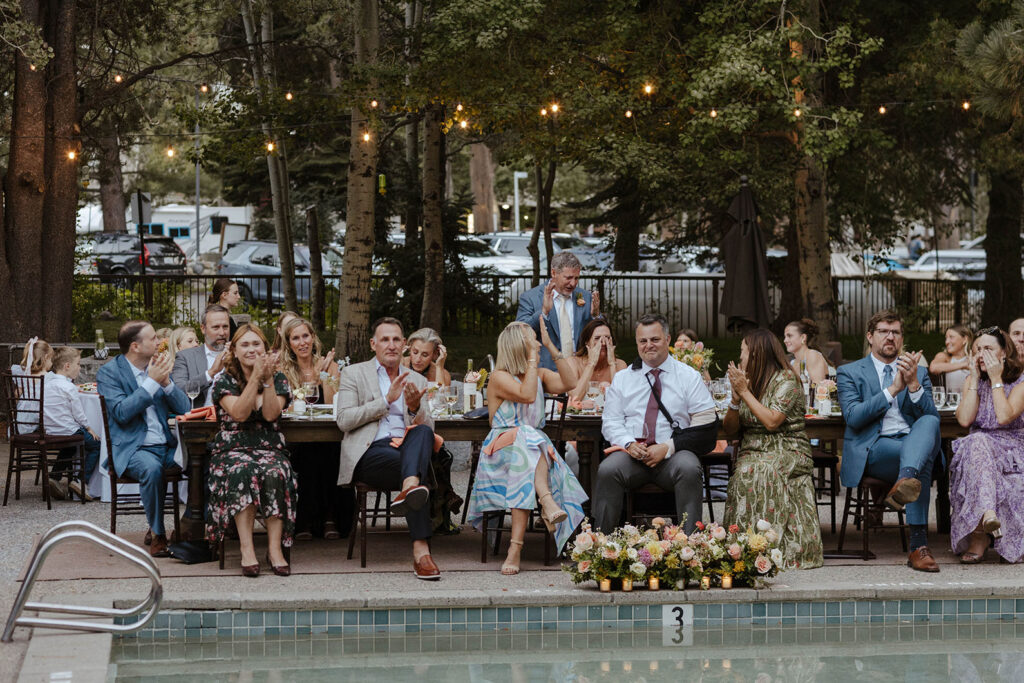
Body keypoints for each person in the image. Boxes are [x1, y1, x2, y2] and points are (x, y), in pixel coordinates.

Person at [466, 320, 586, 575]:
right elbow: (528, 395)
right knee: (527, 437)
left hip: (530, 453)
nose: (537, 344)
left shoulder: (540, 374)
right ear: (518, 345)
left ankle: (516, 548)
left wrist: (553, 348)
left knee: (528, 441)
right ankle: (547, 503)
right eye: (532, 340)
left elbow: (571, 382)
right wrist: (533, 357)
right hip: (500, 451)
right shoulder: (499, 377)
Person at [836, 309, 942, 572]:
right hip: (875, 449)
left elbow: (931, 418)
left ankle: (906, 479)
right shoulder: (849, 372)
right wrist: (893, 388)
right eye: (884, 331)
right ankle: (918, 547)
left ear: (901, 338)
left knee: (928, 424)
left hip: (911, 445)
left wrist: (914, 384)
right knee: (923, 461)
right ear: (870, 337)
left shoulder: (919, 371)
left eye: (895, 332)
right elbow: (853, 417)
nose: (890, 337)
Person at [335, 317, 440, 580]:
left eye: (396, 339)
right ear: (374, 344)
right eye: (385, 339)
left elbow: (428, 427)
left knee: (423, 431)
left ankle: (410, 488)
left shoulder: (417, 378)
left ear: (404, 344)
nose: (391, 345)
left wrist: (415, 408)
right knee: (417, 471)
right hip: (371, 453)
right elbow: (344, 420)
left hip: (405, 451)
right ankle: (421, 551)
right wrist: (385, 400)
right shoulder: (354, 373)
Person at [595, 313, 719, 533]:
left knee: (690, 467)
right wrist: (628, 444)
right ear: (636, 343)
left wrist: (667, 447)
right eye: (643, 341)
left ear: (668, 340)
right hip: (633, 455)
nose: (648, 345)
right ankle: (601, 545)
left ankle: (691, 546)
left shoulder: (688, 376)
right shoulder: (624, 378)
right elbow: (611, 421)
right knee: (608, 470)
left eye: (655, 339)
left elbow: (707, 422)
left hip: (674, 454)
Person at [722, 330, 823, 569]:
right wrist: (735, 400)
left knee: (765, 470)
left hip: (788, 449)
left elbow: (772, 421)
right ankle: (742, 550)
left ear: (756, 353)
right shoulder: (749, 383)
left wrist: (744, 392)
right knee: (745, 472)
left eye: (743, 351)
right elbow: (729, 431)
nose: (740, 357)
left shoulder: (786, 380)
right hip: (752, 450)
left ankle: (774, 551)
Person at [207, 324, 297, 577]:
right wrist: (254, 379)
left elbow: (269, 414)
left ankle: (274, 549)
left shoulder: (278, 379)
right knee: (242, 471)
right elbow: (240, 413)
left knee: (275, 471)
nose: (251, 349)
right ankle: (247, 549)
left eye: (256, 344)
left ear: (265, 349)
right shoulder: (223, 380)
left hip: (269, 446)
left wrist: (266, 379)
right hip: (232, 449)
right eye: (244, 345)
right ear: (234, 351)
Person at [97, 321, 191, 557]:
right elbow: (120, 412)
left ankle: (193, 526)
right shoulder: (110, 372)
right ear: (135, 346)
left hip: (166, 446)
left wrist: (166, 382)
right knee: (152, 469)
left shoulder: (157, 366)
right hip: (133, 448)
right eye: (153, 339)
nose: (159, 342)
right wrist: (151, 382)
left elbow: (184, 408)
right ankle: (158, 534)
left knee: (202, 460)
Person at [950, 327, 1024, 564]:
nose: (981, 354)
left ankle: (980, 534)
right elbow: (964, 420)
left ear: (1004, 353)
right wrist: (973, 377)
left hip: (1011, 450)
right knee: (977, 440)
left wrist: (995, 379)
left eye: (989, 349)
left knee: (976, 441)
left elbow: (1004, 416)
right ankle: (987, 516)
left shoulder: (1021, 383)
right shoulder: (973, 381)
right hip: (979, 449)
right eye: (978, 349)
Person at [279, 316, 344, 541]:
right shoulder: (283, 369)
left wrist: (323, 377)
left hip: (326, 434)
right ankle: (305, 519)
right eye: (295, 338)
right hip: (294, 436)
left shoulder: (329, 365)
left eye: (305, 336)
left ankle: (329, 517)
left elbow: (332, 407)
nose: (302, 342)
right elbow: (285, 407)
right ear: (289, 343)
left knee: (328, 450)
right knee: (305, 452)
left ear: (313, 337)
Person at [516, 252, 600, 370]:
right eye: (568, 278)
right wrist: (544, 312)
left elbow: (600, 333)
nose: (573, 283)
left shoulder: (585, 297)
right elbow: (519, 333)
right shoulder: (531, 297)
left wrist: (595, 316)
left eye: (576, 278)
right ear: (554, 273)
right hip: (546, 372)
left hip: (580, 370)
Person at [44, 347, 101, 502]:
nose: (80, 367)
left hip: (50, 431)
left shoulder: (47, 384)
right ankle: (81, 480)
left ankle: (55, 476)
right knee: (96, 445)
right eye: (78, 364)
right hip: (68, 431)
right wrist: (89, 428)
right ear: (67, 366)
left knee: (69, 445)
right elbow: (78, 414)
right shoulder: (69, 387)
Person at [171, 305, 232, 408]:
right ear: (203, 329)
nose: (222, 333)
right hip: (200, 420)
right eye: (216, 327)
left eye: (225, 327)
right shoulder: (185, 356)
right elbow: (178, 391)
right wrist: (211, 373)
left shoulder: (238, 355)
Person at [569, 319, 626, 403]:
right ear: (587, 342)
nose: (603, 343)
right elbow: (575, 398)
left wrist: (612, 365)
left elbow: (621, 401)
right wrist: (591, 364)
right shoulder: (573, 363)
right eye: (597, 338)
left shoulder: (621, 365)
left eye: (607, 338)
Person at [12, 338, 53, 434]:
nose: (52, 362)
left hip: (24, 417)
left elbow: (17, 393)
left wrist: (16, 405)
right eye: (51, 359)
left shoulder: (24, 375)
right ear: (46, 357)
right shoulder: (49, 377)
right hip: (42, 417)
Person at [928, 324, 972, 392]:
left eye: (951, 337)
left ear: (965, 339)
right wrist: (964, 365)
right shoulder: (945, 357)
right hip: (951, 401)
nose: (947, 342)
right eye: (946, 338)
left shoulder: (973, 357)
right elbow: (933, 368)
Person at [783, 319, 829, 384]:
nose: (785, 340)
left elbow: (817, 388)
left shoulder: (812, 355)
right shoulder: (792, 363)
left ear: (803, 337)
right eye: (785, 337)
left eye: (789, 336)